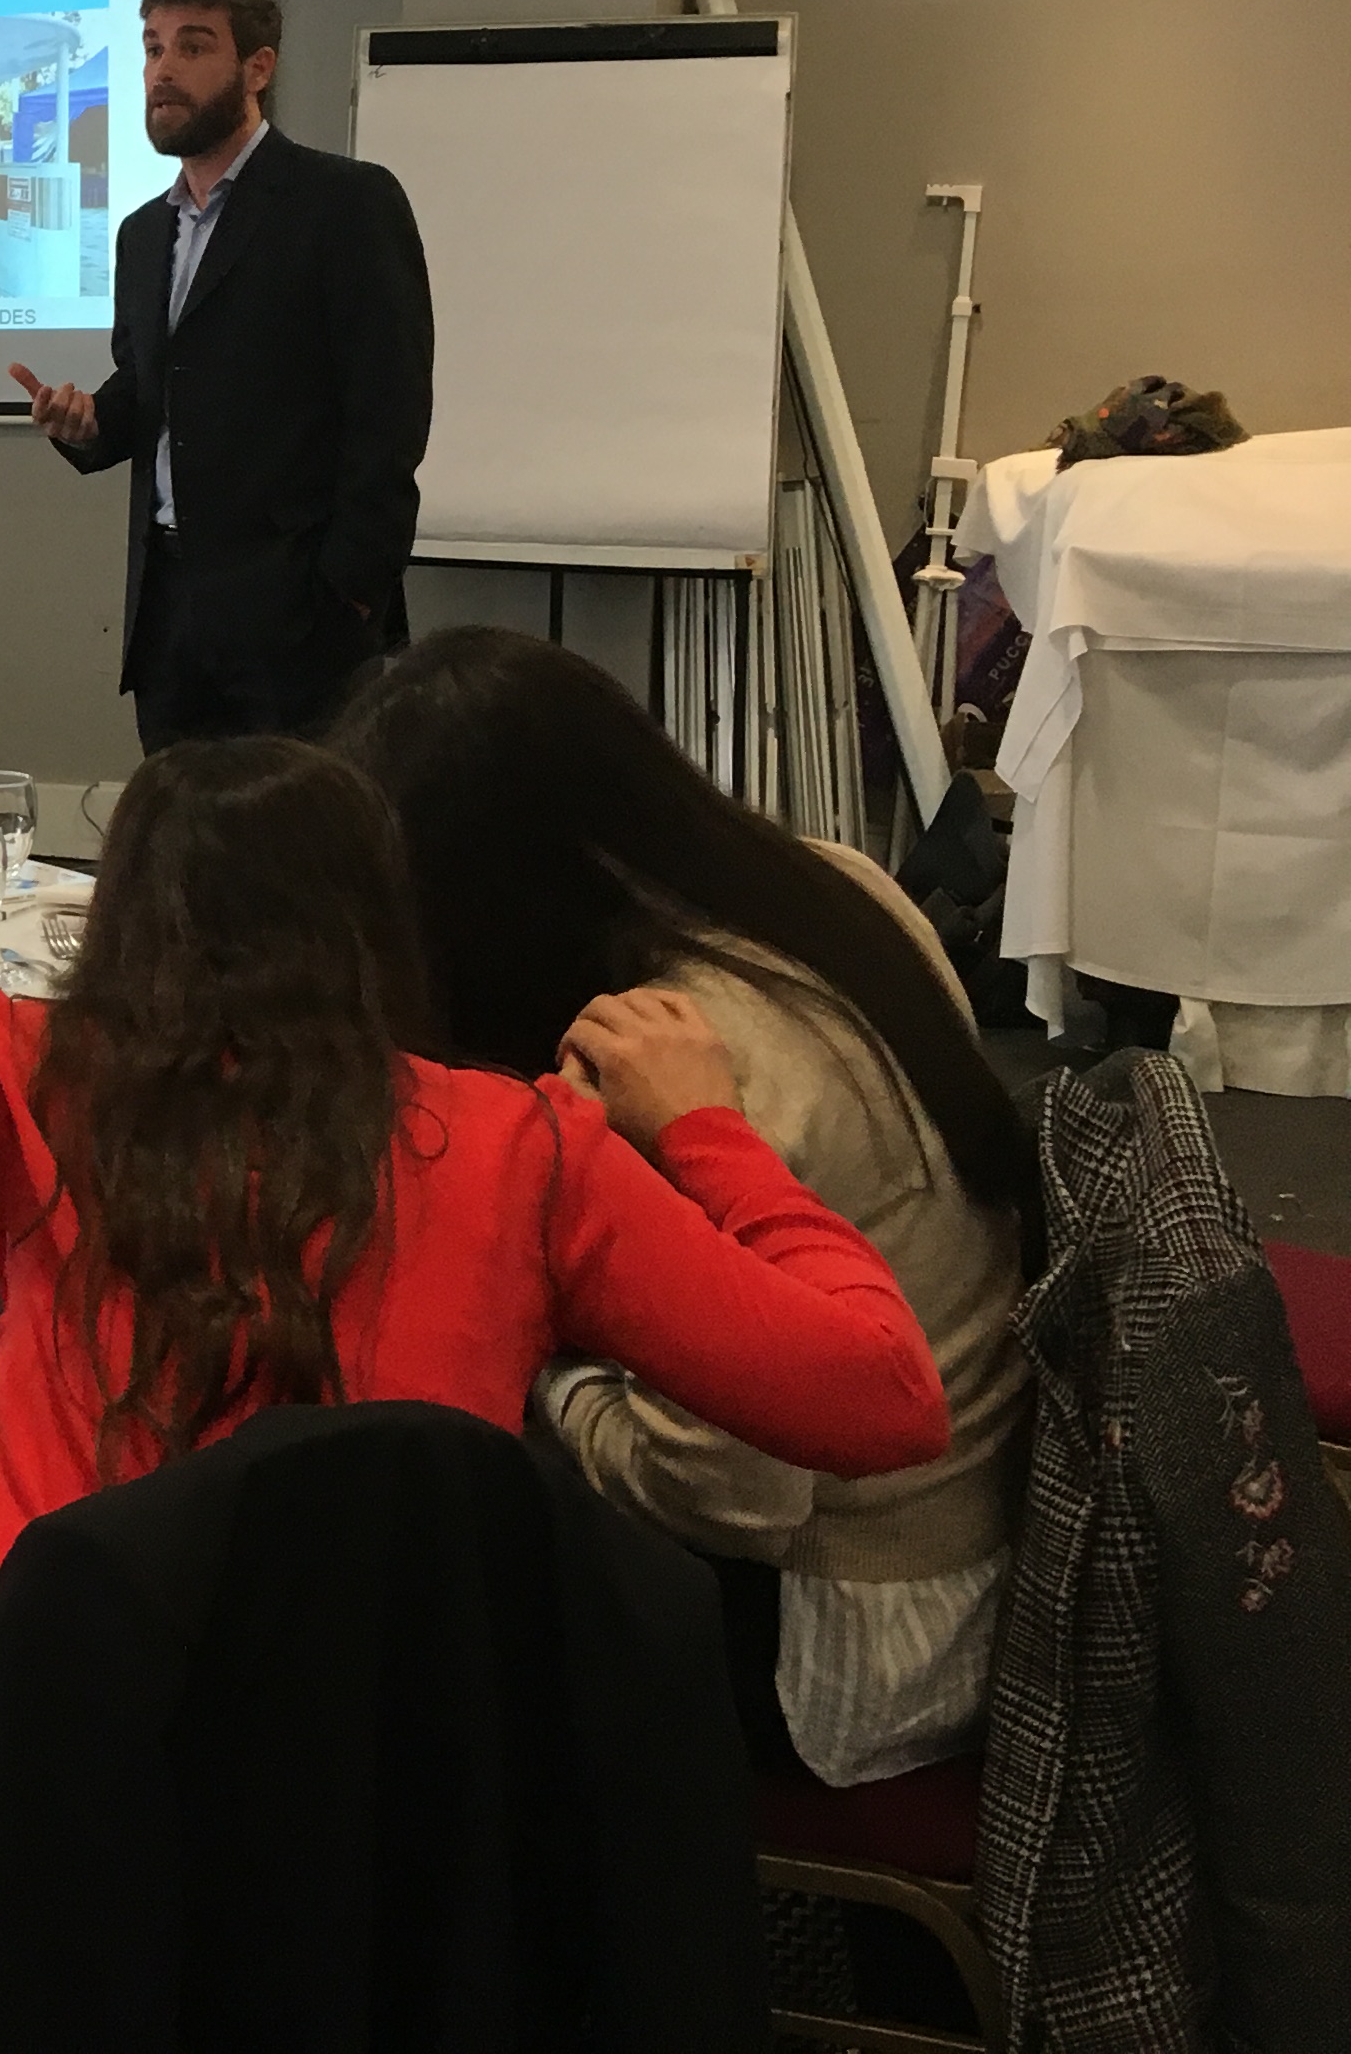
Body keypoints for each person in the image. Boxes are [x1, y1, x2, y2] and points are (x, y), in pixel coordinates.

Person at [0, 736, 950, 2015]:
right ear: (383, 926)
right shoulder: (527, 1153)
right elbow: (881, 1393)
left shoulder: (42, 1070)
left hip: (47, 1774)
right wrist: (708, 1129)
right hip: (385, 1822)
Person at [331, 627, 1032, 1788]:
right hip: (976, 1525)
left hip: (847, 1624)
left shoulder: (671, 1078)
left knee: (388, 1515)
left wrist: (544, 1376)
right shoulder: (830, 884)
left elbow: (724, 1493)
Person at [8, 0, 432, 749]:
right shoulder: (142, 235)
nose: (162, 70)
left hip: (302, 618)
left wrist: (348, 595)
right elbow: (150, 394)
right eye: (152, 47)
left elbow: (391, 413)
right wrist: (88, 422)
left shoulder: (344, 204)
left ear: (257, 68)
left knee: (307, 859)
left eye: (193, 48)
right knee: (182, 855)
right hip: (169, 614)